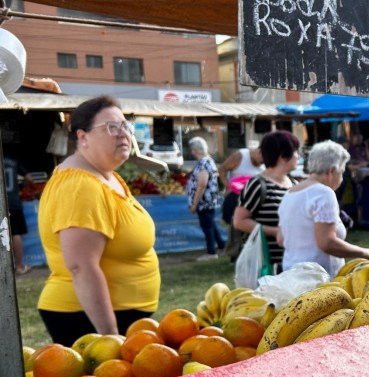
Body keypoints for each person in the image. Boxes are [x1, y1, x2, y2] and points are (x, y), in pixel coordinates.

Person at [37, 95, 160, 344]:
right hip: (86, 322)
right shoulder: (81, 186)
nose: (123, 134)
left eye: (125, 126)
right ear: (82, 137)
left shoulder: (105, 176)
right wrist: (110, 336)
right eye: (112, 127)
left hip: (116, 317)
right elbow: (81, 267)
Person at [278, 141, 369, 276]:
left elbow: (281, 238)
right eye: (342, 172)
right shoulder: (323, 193)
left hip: (291, 274)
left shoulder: (289, 194)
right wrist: (363, 252)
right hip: (317, 279)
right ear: (332, 171)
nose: (342, 178)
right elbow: (327, 242)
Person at [233, 131, 299, 272]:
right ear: (282, 157)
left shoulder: (294, 184)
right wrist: (275, 231)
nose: (298, 156)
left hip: (292, 263)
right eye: (295, 151)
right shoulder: (257, 184)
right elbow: (239, 221)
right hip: (266, 268)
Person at [218, 146, 265, 260]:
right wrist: (228, 185)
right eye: (262, 160)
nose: (262, 163)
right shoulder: (240, 156)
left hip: (254, 199)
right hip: (237, 198)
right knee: (236, 228)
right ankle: (235, 254)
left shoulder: (265, 161)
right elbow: (222, 169)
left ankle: (250, 255)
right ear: (259, 151)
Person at [187, 137, 226, 260]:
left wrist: (194, 203)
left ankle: (211, 252)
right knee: (211, 224)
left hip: (204, 202)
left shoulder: (203, 163)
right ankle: (221, 245)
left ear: (195, 150)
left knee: (207, 226)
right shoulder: (208, 160)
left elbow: (202, 184)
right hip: (209, 201)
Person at [3, 154, 34, 275]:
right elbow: (30, 179)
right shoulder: (13, 160)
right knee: (15, 233)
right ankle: (20, 266)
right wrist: (21, 185)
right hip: (13, 202)